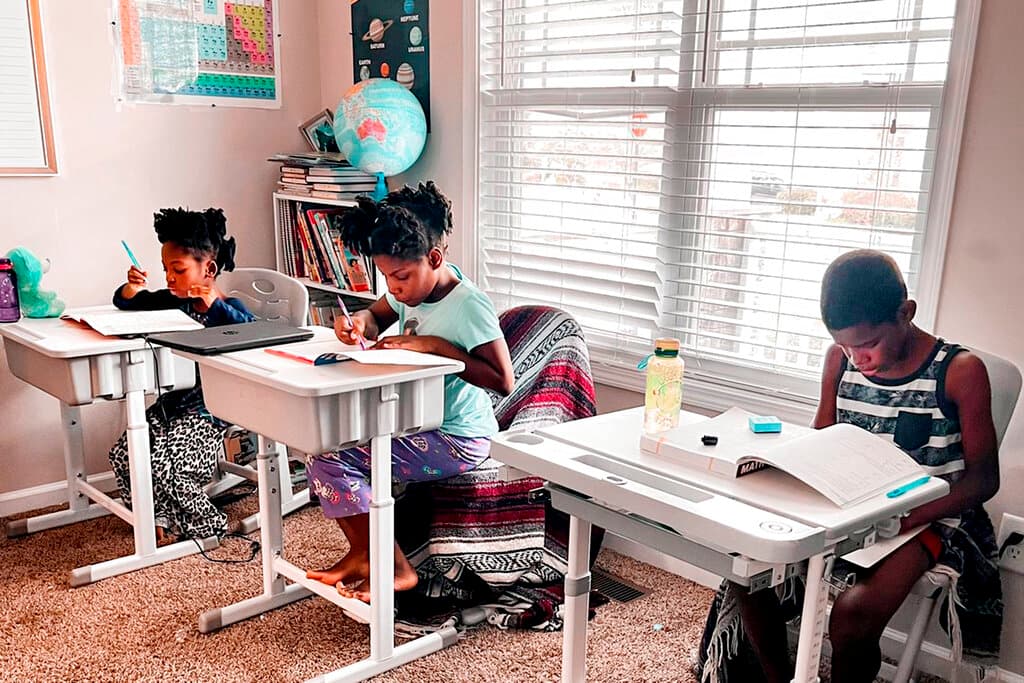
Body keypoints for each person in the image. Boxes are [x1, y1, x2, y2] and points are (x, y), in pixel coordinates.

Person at [701, 249, 1003, 683]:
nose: (857, 357)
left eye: (867, 344)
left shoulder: (959, 372)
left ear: (905, 313)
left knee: (854, 614)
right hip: (850, 504)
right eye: (845, 344)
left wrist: (906, 518)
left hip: (931, 518)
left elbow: (982, 480)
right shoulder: (839, 359)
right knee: (751, 573)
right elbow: (822, 437)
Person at [304, 181, 516, 602]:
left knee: (331, 458)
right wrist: (358, 325)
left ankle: (396, 568)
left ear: (434, 258)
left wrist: (437, 347)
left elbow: (502, 379)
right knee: (320, 447)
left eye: (400, 277)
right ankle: (363, 552)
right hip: (415, 421)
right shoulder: (408, 292)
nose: (394, 288)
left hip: (460, 437)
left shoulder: (468, 304)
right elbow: (376, 315)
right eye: (387, 277)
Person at [108, 207, 255, 542]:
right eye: (165, 270)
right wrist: (130, 287)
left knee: (172, 469)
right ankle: (156, 518)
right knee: (124, 453)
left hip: (210, 411)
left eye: (178, 269)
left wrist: (212, 306)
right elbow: (130, 304)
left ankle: (207, 523)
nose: (169, 278)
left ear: (209, 269)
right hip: (172, 405)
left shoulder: (229, 309)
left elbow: (250, 332)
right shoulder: (176, 303)